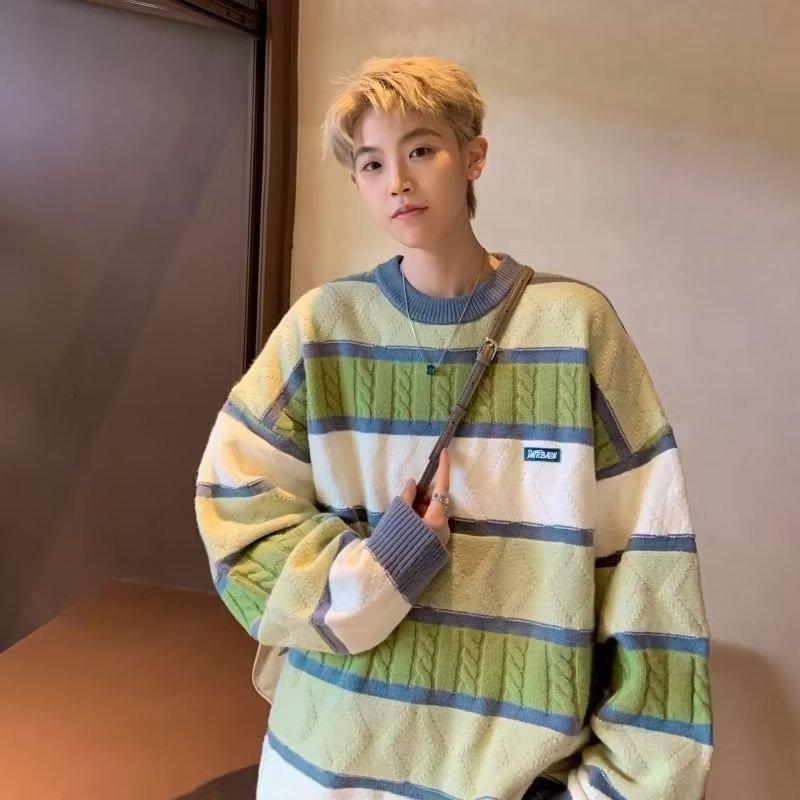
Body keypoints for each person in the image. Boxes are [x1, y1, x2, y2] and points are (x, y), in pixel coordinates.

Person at [194, 55, 714, 800]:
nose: (397, 182)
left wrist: (627, 787)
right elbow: (233, 511)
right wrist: (382, 572)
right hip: (319, 768)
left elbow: (651, 572)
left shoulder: (574, 327)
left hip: (507, 778)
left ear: (473, 157)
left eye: (421, 150)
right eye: (371, 163)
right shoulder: (322, 327)